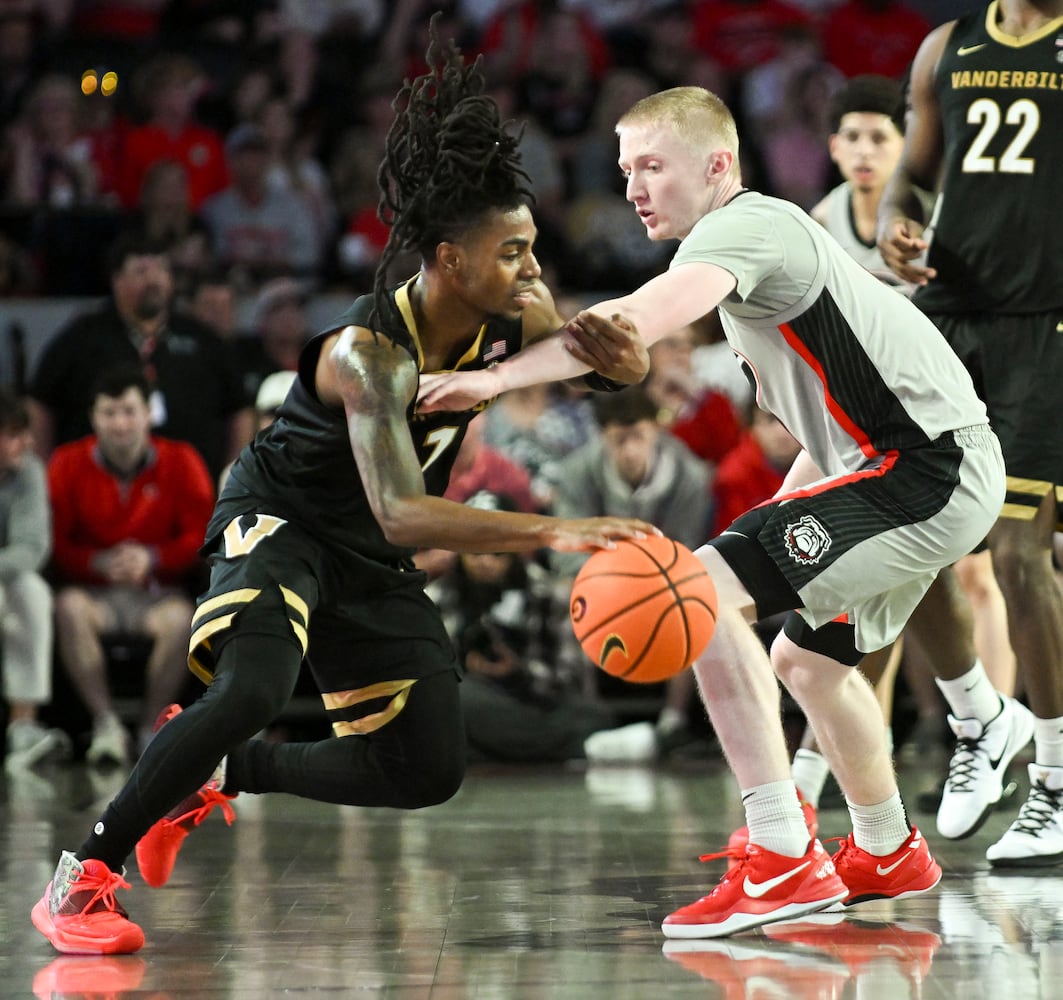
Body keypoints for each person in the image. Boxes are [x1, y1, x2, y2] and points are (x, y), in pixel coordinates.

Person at [30, 25, 655, 956]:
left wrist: (625, 364)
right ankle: (82, 878)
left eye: (531, 250)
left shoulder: (512, 308)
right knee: (250, 686)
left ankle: (221, 769)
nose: (534, 270)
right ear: (447, 260)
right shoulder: (365, 355)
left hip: (367, 550)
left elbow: (587, 363)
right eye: (514, 253)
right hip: (282, 519)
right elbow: (405, 508)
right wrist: (559, 530)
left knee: (425, 766)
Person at [418, 84, 1006, 937]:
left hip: (928, 468)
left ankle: (780, 855)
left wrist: (493, 378)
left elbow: (634, 320)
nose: (632, 189)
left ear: (717, 165)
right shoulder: (750, 260)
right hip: (912, 470)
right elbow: (830, 428)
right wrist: (779, 522)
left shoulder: (744, 229)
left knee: (698, 589)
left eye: (651, 166)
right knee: (804, 667)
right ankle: (884, 847)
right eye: (624, 171)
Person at [877, 0, 1063, 865]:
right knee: (901, 534)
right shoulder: (945, 47)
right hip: (952, 312)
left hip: (1046, 320)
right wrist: (893, 228)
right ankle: (980, 720)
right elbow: (910, 176)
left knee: (1020, 555)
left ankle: (1056, 786)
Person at [47, 366, 216, 765]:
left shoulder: (182, 460)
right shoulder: (66, 464)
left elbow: (203, 534)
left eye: (129, 411)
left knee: (182, 620)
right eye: (109, 412)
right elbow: (54, 542)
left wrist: (153, 558)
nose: (120, 423)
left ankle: (149, 729)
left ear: (148, 413)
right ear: (93, 417)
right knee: (68, 608)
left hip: (157, 592)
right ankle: (105, 724)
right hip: (94, 593)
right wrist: (96, 563)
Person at [27, 231, 254, 483]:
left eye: (160, 270)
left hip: (192, 488)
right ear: (117, 280)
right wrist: (43, 472)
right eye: (141, 271)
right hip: (94, 490)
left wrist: (235, 476)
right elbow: (40, 402)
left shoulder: (201, 337)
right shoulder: (82, 337)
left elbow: (239, 409)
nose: (153, 280)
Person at [0, 388, 69, 772]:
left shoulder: (29, 470)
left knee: (32, 591)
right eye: (13, 433)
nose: (26, 443)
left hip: (5, 577)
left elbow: (32, 549)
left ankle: (23, 727)